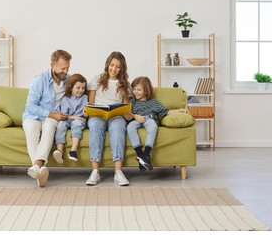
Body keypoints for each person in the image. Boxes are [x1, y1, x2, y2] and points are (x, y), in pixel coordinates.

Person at [22, 49, 72, 187]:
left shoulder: (69, 80)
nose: (66, 71)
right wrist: (52, 114)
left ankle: (37, 167)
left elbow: (80, 92)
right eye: (63, 68)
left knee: (49, 127)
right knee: (32, 132)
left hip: (51, 117)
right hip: (34, 115)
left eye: (68, 68)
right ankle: (39, 172)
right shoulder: (40, 79)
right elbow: (30, 106)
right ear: (52, 65)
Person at [86, 51, 131, 186]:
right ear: (107, 64)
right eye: (112, 65)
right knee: (94, 126)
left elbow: (125, 106)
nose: (114, 69)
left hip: (116, 116)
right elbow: (91, 103)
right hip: (98, 115)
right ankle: (95, 172)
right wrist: (89, 109)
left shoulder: (125, 84)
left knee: (118, 128)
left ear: (122, 68)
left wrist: (127, 114)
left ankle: (118, 172)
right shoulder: (96, 79)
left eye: (118, 67)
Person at [124, 76, 187, 171]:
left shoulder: (154, 102)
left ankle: (146, 154)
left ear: (146, 91)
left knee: (153, 125)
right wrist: (133, 116)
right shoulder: (132, 102)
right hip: (136, 119)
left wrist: (181, 110)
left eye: (139, 89)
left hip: (149, 119)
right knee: (130, 127)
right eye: (134, 89)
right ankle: (141, 155)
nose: (135, 92)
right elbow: (127, 114)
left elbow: (167, 111)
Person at [53, 73, 88, 162]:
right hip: (68, 119)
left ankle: (73, 150)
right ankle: (59, 150)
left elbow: (86, 112)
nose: (81, 90)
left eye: (83, 88)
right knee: (61, 124)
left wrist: (86, 112)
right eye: (78, 88)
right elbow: (64, 116)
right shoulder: (65, 99)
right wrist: (73, 117)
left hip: (79, 120)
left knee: (77, 123)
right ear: (71, 87)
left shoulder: (85, 98)